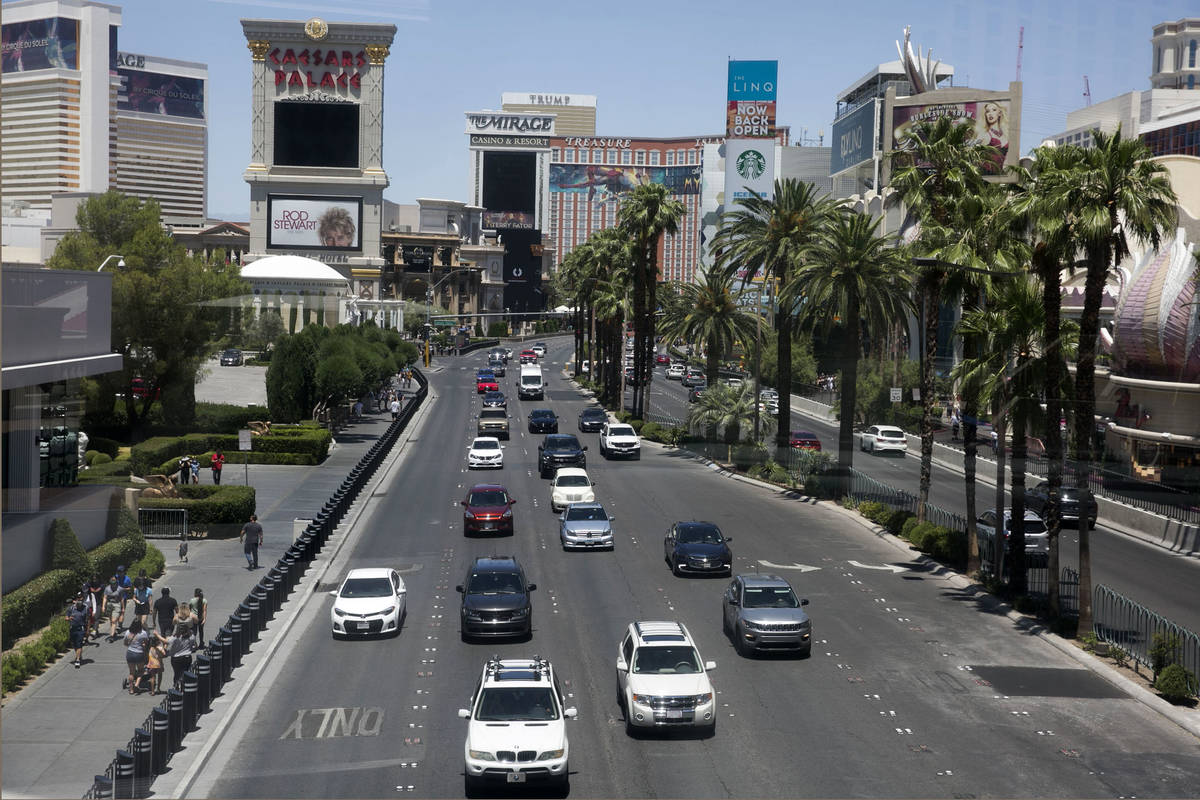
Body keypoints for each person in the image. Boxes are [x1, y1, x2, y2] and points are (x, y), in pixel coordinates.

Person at [123, 620, 151, 693]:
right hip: (139, 653)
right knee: (141, 671)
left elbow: (125, 643)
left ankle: (131, 689)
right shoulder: (143, 633)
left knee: (131, 672)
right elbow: (146, 643)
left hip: (130, 653)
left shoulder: (128, 632)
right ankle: (137, 684)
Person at [165, 623, 196, 689]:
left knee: (177, 673)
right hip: (187, 657)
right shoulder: (191, 637)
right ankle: (184, 686)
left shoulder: (175, 638)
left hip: (176, 658)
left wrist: (158, 635)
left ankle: (176, 686)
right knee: (185, 672)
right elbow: (193, 646)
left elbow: (167, 641)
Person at [66, 595, 88, 668]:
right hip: (73, 628)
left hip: (81, 629)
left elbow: (87, 620)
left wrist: (87, 630)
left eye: (81, 600)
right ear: (75, 601)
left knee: (79, 644)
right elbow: (66, 617)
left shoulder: (85, 608)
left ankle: (77, 660)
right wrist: (69, 618)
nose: (79, 601)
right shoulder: (71, 609)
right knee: (74, 644)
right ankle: (79, 654)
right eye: (78, 600)